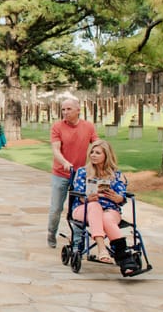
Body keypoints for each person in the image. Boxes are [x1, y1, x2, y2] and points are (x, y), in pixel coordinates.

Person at [47, 98, 98, 248]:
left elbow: (97, 144)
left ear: (78, 110)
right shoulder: (57, 127)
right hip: (61, 173)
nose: (65, 112)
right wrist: (64, 162)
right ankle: (51, 233)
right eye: (63, 109)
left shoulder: (88, 127)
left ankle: (77, 240)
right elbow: (56, 149)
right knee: (56, 207)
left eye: (69, 109)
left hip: (81, 176)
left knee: (79, 207)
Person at [71, 140, 129, 269]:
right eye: (92, 152)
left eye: (97, 153)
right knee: (95, 206)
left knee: (106, 218)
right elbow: (78, 194)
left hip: (109, 210)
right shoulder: (82, 172)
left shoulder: (116, 175)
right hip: (84, 209)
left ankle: (124, 257)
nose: (93, 155)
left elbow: (122, 197)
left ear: (106, 156)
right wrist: (88, 198)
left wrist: (117, 197)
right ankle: (102, 249)